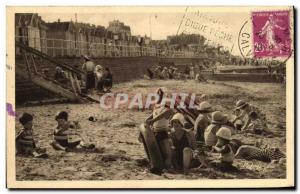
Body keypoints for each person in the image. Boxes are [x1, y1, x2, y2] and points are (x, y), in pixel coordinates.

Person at [145, 88, 174, 169]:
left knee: (160, 153)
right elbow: (165, 114)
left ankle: (161, 168)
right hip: (162, 133)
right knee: (168, 154)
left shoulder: (156, 110)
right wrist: (153, 120)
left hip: (155, 133)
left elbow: (146, 120)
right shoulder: (168, 110)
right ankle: (167, 169)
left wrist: (152, 122)